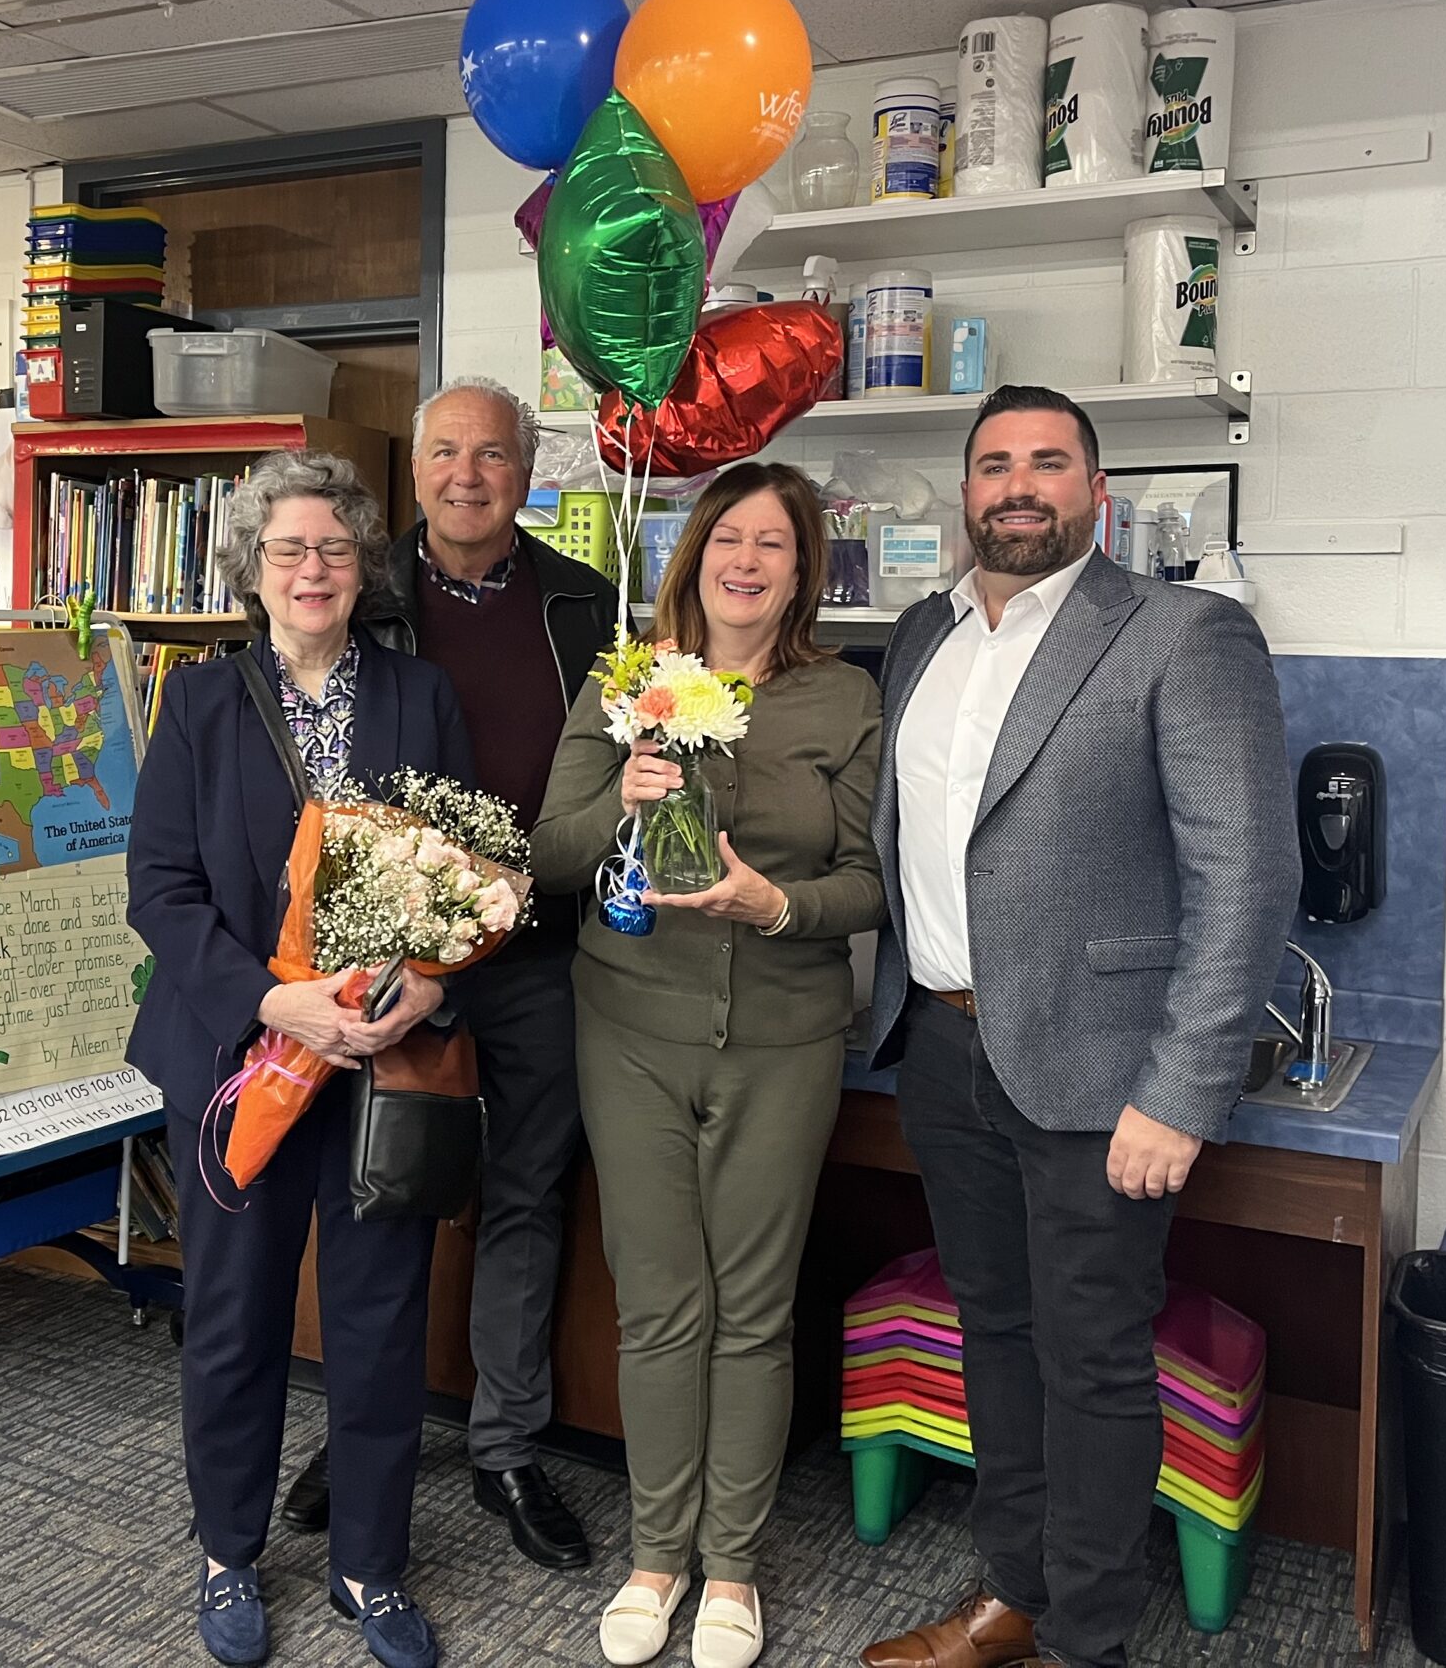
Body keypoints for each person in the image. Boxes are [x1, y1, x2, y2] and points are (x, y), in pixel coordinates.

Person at [857, 385, 1298, 1668]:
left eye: (1049, 462)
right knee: (992, 1335)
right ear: (964, 492)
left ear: (1095, 494)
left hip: (1103, 1074)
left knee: (1093, 1362)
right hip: (943, 1049)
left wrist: (1180, 1090)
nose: (1018, 484)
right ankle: (1014, 1596)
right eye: (994, 463)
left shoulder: (1182, 634)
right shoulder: (917, 635)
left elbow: (1247, 874)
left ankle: (1085, 1643)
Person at [533, 461, 886, 1668]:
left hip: (784, 1041)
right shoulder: (628, 682)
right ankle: (654, 1557)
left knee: (752, 1314)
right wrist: (620, 803)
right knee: (658, 1307)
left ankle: (729, 1571)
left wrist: (774, 905)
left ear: (802, 573)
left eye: (772, 545)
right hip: (629, 1029)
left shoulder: (843, 701)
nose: (745, 560)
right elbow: (550, 851)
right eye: (727, 536)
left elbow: (867, 884)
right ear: (695, 553)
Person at [128, 449, 475, 1668]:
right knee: (232, 1316)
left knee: (381, 1324)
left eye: (334, 548)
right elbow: (161, 895)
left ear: (361, 565)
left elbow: (460, 875)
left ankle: (371, 1569)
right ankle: (227, 1551)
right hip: (242, 1061)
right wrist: (281, 1003)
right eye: (289, 550)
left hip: (379, 1061)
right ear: (252, 570)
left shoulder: (420, 695)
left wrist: (423, 981)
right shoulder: (200, 703)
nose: (313, 568)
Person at [277, 378, 620, 1571]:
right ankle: (367, 1428)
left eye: (491, 454)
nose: (466, 473)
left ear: (526, 474)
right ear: (410, 472)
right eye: (443, 452)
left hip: (540, 955)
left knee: (528, 1195)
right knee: (386, 1193)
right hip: (395, 955)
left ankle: (506, 1444)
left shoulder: (586, 604)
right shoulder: (361, 599)